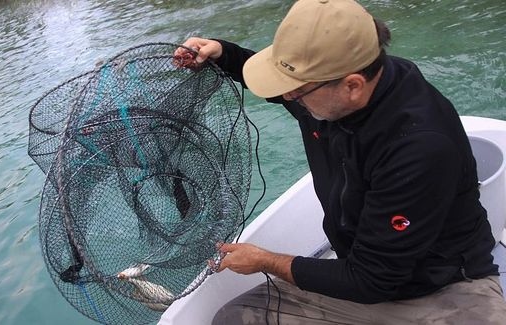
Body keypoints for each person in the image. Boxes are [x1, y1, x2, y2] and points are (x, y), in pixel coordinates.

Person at [175, 0, 506, 324]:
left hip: (443, 288)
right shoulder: (340, 88)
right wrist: (223, 53)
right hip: (363, 270)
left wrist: (265, 260)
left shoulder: (419, 149)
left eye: (295, 92)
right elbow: (288, 85)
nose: (288, 98)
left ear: (352, 86)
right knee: (232, 319)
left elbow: (370, 279)